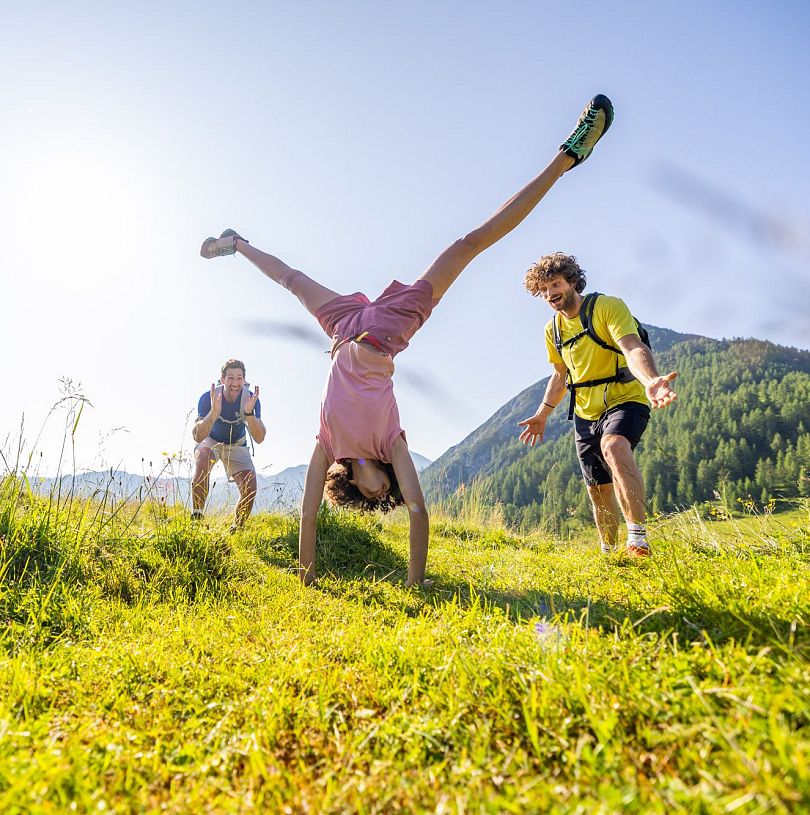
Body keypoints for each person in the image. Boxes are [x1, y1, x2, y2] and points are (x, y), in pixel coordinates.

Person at [201, 94, 615, 585]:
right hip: (388, 330)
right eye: (385, 496)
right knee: (468, 245)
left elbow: (308, 518)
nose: (381, 495)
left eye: (371, 498)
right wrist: (416, 583)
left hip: (342, 328)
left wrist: (306, 582)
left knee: (292, 279)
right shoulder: (391, 443)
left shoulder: (327, 446)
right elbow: (417, 512)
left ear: (351, 485)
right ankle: (568, 156)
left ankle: (237, 242)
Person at [518, 254, 677, 557]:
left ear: (572, 281)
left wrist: (651, 380)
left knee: (615, 446)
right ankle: (609, 550)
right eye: (544, 290)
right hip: (584, 412)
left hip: (625, 397)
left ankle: (638, 541)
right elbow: (560, 373)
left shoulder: (607, 307)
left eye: (555, 284)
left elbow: (632, 347)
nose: (551, 293)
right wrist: (542, 414)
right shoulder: (552, 331)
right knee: (597, 487)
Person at [192, 359, 266, 530]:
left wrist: (249, 413)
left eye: (239, 378)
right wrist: (214, 412)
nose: (235, 383)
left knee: (250, 487)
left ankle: (237, 528)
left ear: (244, 380)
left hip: (237, 444)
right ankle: (197, 518)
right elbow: (197, 436)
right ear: (222, 379)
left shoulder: (250, 399)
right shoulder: (207, 397)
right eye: (230, 378)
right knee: (202, 458)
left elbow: (260, 438)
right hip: (212, 440)